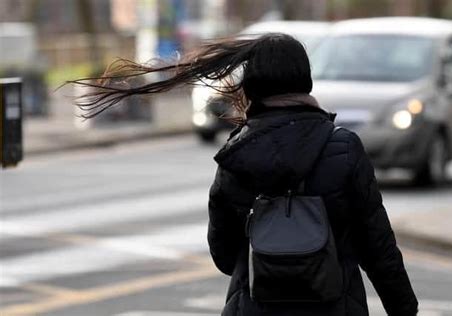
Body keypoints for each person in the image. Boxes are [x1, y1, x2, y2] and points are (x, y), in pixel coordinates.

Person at [70, 33, 418, 316]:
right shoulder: (344, 148)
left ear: (251, 86)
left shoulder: (237, 154)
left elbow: (223, 254)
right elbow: (378, 245)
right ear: (305, 80)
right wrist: (404, 309)